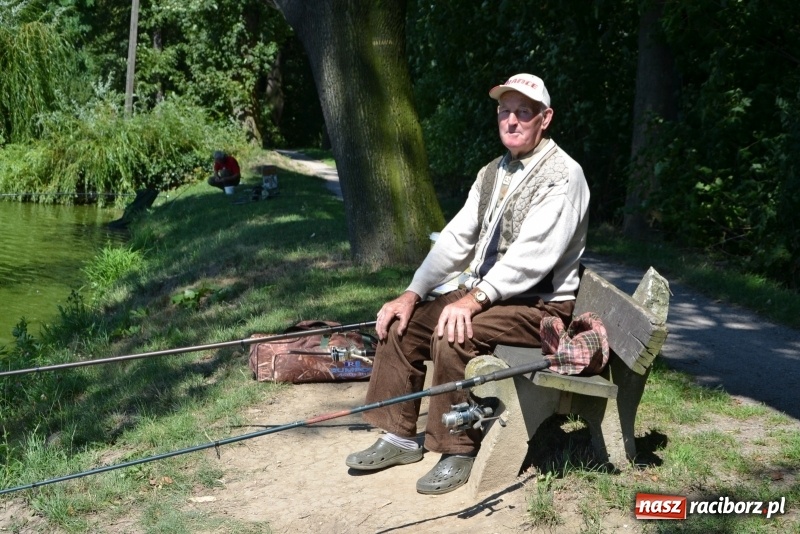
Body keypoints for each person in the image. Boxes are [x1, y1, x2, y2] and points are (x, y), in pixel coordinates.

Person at [345, 73, 590, 495]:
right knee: (401, 323)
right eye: (504, 111)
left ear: (545, 118)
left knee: (454, 332)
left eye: (523, 113)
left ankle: (458, 447)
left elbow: (533, 258)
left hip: (540, 307)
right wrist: (413, 292)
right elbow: (457, 238)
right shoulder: (493, 172)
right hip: (490, 295)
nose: (511, 121)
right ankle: (399, 436)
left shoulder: (564, 176)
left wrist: (473, 299)